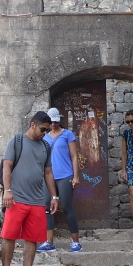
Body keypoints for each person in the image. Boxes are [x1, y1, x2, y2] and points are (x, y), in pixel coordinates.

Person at [0, 111, 60, 266]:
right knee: (9, 235)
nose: (45, 133)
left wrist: (54, 196)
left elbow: (48, 172)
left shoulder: (45, 146)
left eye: (47, 130)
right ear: (33, 125)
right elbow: (6, 167)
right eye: (42, 129)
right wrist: (7, 191)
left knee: (32, 238)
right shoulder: (16, 142)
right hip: (16, 199)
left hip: (38, 200)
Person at [37, 108, 83, 252]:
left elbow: (74, 156)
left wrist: (76, 176)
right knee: (47, 207)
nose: (54, 124)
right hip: (48, 176)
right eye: (52, 122)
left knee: (67, 207)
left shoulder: (67, 134)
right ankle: (49, 241)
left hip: (65, 175)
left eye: (56, 121)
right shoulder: (44, 137)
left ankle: (75, 241)